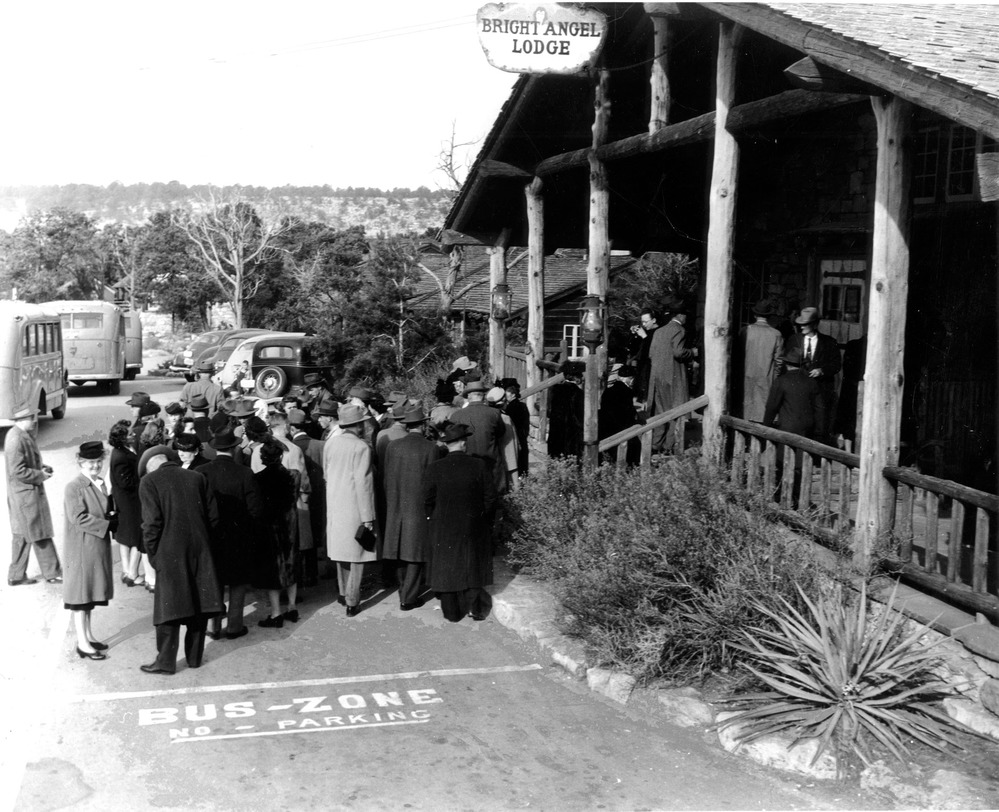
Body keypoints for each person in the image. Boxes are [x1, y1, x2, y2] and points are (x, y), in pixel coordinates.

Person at [138, 452, 223, 675]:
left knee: (169, 608)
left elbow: (151, 523)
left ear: (151, 468)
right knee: (198, 604)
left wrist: (154, 555)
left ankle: (165, 662)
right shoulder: (197, 477)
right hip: (200, 550)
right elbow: (214, 518)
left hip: (168, 552)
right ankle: (194, 658)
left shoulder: (149, 482)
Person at [424, 423, 498, 623]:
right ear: (463, 443)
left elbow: (427, 499)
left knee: (447, 565)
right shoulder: (479, 465)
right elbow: (490, 498)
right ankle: (475, 609)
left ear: (448, 445)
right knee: (472, 564)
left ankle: (452, 612)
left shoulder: (435, 468)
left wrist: (434, 518)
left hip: (443, 525)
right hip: (473, 523)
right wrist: (483, 518)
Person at [198, 428, 264, 640]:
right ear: (234, 447)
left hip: (212, 537)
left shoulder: (202, 472)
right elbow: (256, 510)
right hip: (239, 537)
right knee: (238, 583)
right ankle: (235, 626)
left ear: (215, 448)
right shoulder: (244, 473)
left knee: (214, 581)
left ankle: (212, 626)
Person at [382, 404, 445, 610]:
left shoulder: (393, 446)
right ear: (424, 425)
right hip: (418, 507)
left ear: (407, 425)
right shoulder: (431, 448)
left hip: (396, 503)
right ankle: (408, 597)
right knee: (416, 551)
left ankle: (404, 591)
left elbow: (387, 477)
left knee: (400, 549)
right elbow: (433, 483)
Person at [323, 403, 377, 616]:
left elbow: (327, 475)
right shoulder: (361, 447)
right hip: (355, 506)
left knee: (341, 553)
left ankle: (344, 593)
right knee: (358, 555)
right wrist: (368, 516)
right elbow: (364, 484)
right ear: (359, 425)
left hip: (335, 505)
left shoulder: (330, 444)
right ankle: (353, 601)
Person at [63, 441, 115, 660]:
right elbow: (78, 518)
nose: (95, 466)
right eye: (90, 462)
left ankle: (88, 635)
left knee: (90, 596)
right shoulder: (74, 487)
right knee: (80, 598)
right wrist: (106, 524)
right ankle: (82, 644)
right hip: (82, 548)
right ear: (80, 462)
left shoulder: (100, 483)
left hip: (95, 547)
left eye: (98, 461)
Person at [5, 407, 62, 586]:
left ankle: (16, 575)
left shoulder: (19, 434)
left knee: (22, 533)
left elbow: (25, 463)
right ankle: (52, 573)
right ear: (23, 419)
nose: (35, 420)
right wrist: (40, 475)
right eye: (32, 417)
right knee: (39, 532)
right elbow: (18, 471)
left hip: (21, 495)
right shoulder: (17, 439)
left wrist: (41, 467)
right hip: (26, 495)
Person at [253, 438, 301, 628]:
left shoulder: (257, 479)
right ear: (281, 456)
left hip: (269, 527)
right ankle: (292, 606)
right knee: (291, 564)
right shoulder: (294, 475)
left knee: (273, 569)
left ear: (263, 458)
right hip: (289, 526)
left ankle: (276, 613)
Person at [784, 306, 841, 446]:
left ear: (815, 324)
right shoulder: (793, 340)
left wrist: (822, 371)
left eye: (805, 324)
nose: (801, 327)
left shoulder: (829, 342)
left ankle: (816, 459)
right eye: (800, 324)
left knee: (820, 425)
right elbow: (786, 364)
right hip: (799, 391)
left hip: (820, 391)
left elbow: (836, 365)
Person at [647, 296, 698, 454]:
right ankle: (670, 446)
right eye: (685, 315)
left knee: (661, 412)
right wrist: (692, 352)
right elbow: (678, 352)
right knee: (678, 412)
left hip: (658, 377)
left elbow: (651, 354)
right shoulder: (679, 330)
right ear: (680, 316)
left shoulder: (659, 331)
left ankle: (656, 444)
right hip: (674, 377)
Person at [450, 380, 506, 494]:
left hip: (466, 463)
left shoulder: (456, 416)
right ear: (483, 396)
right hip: (491, 461)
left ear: (468, 397)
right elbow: (501, 433)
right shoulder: (494, 413)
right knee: (493, 495)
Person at [108, 419, 144, 587]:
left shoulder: (121, 451)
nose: (133, 434)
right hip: (130, 502)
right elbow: (126, 483)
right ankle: (133, 574)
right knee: (137, 537)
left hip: (124, 501)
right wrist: (143, 482)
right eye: (130, 434)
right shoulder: (121, 456)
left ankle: (126, 570)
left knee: (124, 537)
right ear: (122, 438)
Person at [739, 298, 784, 422]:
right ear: (769, 316)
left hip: (746, 375)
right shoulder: (776, 334)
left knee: (746, 409)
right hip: (766, 377)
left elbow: (738, 355)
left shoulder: (745, 331)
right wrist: (774, 376)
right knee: (763, 413)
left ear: (754, 315)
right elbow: (779, 361)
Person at [598, 364, 641, 465]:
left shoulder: (607, 391)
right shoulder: (627, 392)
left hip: (606, 428)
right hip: (621, 428)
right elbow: (628, 414)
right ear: (630, 379)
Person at [546, 361, 584, 459]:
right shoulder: (577, 393)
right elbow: (578, 416)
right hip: (570, 433)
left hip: (556, 431)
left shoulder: (556, 390)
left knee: (556, 457)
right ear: (575, 377)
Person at [626, 308, 659, 402]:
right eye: (642, 322)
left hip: (652, 367)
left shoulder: (659, 332)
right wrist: (633, 335)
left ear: (654, 320)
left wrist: (644, 336)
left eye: (646, 322)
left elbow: (654, 348)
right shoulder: (645, 331)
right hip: (642, 366)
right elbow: (634, 348)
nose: (644, 325)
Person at [499, 378, 530, 477]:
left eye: (507, 393)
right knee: (523, 457)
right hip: (523, 434)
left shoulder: (511, 407)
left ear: (513, 394)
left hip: (515, 433)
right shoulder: (522, 405)